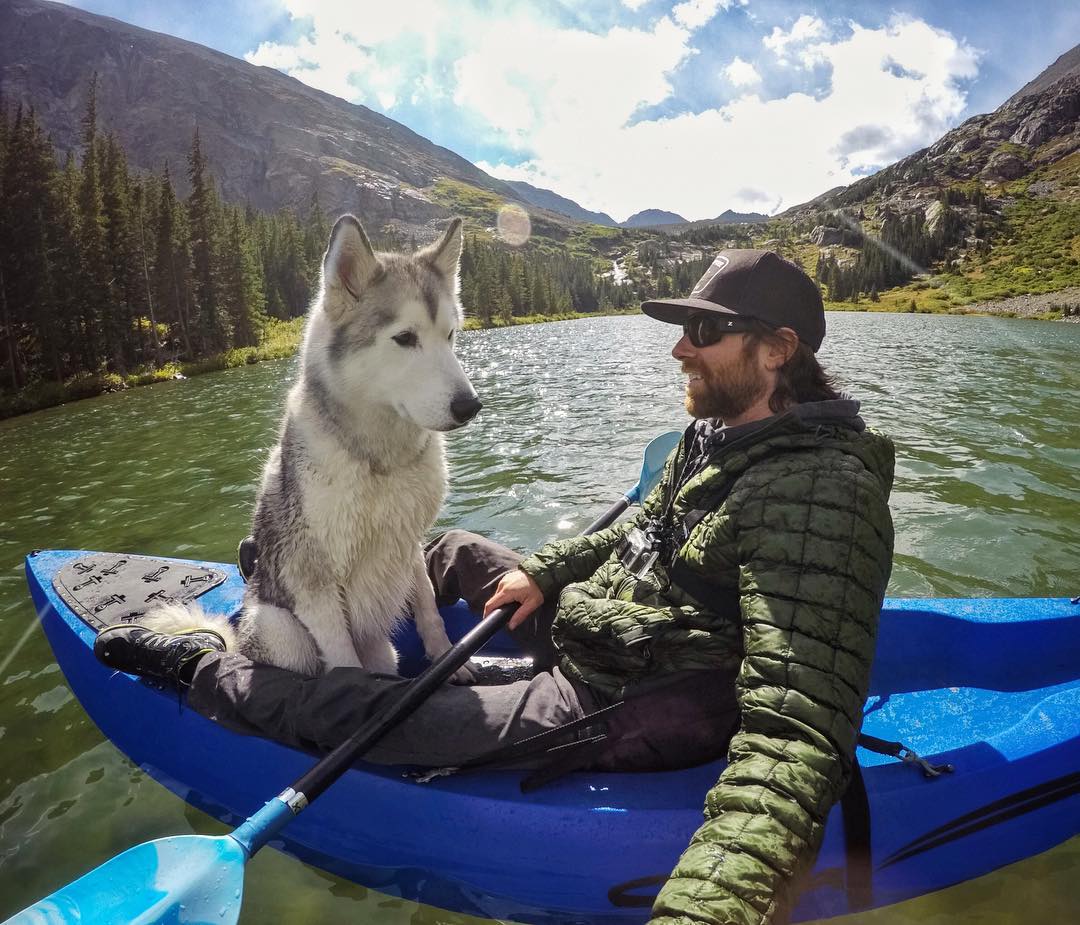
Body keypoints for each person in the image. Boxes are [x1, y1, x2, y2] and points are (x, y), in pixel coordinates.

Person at [96, 249, 894, 924]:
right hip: (604, 625)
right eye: (685, 330)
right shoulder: (717, 435)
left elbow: (795, 735)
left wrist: (703, 911)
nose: (681, 350)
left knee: (362, 708)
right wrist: (541, 573)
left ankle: (203, 665)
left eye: (707, 332)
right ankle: (288, 569)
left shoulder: (820, 492)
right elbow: (632, 532)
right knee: (449, 546)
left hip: (632, 694)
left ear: (778, 351)